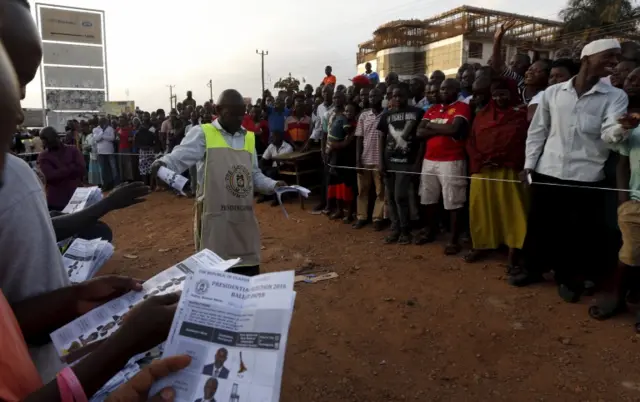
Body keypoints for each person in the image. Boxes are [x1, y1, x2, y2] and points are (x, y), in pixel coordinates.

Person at [514, 39, 628, 302]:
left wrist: (622, 128)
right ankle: (533, 269)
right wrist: (529, 166)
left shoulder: (615, 96)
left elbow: (610, 135)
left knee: (576, 232)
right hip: (547, 170)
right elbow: (538, 132)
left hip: (586, 177)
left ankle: (567, 278)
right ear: (588, 58)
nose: (613, 63)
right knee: (540, 225)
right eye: (609, 57)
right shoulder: (553, 93)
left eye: (617, 58)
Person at [151, 89, 285, 277]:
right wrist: (162, 164)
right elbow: (178, 157)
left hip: (242, 219)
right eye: (233, 114)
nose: (239, 119)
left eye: (242, 113)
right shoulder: (203, 134)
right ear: (218, 110)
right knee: (215, 275)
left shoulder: (247, 137)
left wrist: (273, 185)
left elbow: (253, 174)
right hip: (214, 220)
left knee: (246, 271)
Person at [589, 66, 640, 328]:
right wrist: (624, 199)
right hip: (636, 202)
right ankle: (617, 297)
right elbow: (622, 163)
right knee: (629, 253)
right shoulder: (630, 122)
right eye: (631, 78)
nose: (633, 83)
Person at [464, 78, 529, 268]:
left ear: (512, 93)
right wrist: (480, 158)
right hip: (483, 168)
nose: (499, 98)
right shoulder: (482, 114)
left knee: (512, 210)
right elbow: (471, 140)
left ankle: (514, 249)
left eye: (503, 94)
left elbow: (522, 140)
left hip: (508, 168)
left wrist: (499, 157)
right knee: (481, 208)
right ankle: (482, 244)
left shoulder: (521, 113)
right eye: (495, 94)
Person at [415, 78, 471, 255]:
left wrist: (432, 125)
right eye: (442, 89)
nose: (443, 92)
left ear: (457, 90)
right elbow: (419, 132)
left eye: (448, 88)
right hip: (429, 160)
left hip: (452, 160)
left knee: (453, 201)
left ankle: (453, 240)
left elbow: (455, 130)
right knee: (428, 199)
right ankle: (430, 231)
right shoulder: (432, 109)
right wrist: (443, 127)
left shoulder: (462, 107)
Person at [377, 83, 424, 244]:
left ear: (407, 96)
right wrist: (380, 161)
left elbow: (422, 140)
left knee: (400, 196)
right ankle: (395, 228)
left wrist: (418, 162)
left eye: (401, 95)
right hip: (389, 161)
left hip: (406, 162)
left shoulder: (418, 113)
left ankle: (405, 230)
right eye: (394, 96)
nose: (397, 99)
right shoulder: (386, 115)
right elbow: (382, 138)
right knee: (390, 197)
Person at [354, 88, 385, 231]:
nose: (372, 98)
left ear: (381, 96)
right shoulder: (363, 116)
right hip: (365, 158)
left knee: (381, 192)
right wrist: (358, 159)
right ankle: (362, 217)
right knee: (363, 191)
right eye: (370, 96)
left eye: (375, 96)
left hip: (380, 160)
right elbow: (359, 138)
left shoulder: (387, 114)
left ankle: (377, 218)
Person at [37, 126, 86, 211]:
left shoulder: (73, 150)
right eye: (43, 140)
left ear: (56, 137)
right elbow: (49, 176)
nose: (44, 143)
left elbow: (82, 169)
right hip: (56, 201)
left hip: (77, 197)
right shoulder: (43, 156)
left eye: (46, 139)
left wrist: (60, 171)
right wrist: (71, 167)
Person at [326, 98, 358, 222]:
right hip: (335, 157)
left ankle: (349, 213)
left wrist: (337, 145)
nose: (348, 113)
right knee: (336, 185)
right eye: (346, 110)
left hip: (347, 158)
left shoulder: (355, 125)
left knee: (347, 186)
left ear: (355, 113)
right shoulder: (340, 120)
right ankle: (339, 210)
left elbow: (349, 143)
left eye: (351, 111)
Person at [94, 117, 119, 190]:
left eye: (105, 122)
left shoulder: (110, 128)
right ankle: (105, 184)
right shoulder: (95, 129)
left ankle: (116, 184)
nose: (104, 123)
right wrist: (103, 131)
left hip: (109, 151)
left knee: (113, 168)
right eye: (102, 122)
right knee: (103, 169)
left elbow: (112, 138)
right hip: (100, 152)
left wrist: (102, 136)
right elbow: (96, 139)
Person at [135, 112, 160, 186]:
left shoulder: (152, 127)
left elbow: (156, 137)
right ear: (142, 118)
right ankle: (145, 185)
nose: (146, 118)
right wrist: (140, 146)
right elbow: (136, 139)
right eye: (144, 116)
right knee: (143, 169)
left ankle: (152, 185)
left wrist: (155, 147)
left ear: (149, 117)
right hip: (142, 150)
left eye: (147, 116)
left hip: (151, 149)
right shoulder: (140, 127)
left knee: (152, 168)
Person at [117, 115, 135, 182]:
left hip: (127, 149)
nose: (120, 122)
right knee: (121, 165)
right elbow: (117, 140)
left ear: (125, 121)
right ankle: (123, 180)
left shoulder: (129, 129)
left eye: (122, 120)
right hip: (120, 149)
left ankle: (129, 180)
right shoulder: (118, 129)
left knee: (128, 165)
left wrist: (123, 137)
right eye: (119, 120)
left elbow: (131, 140)